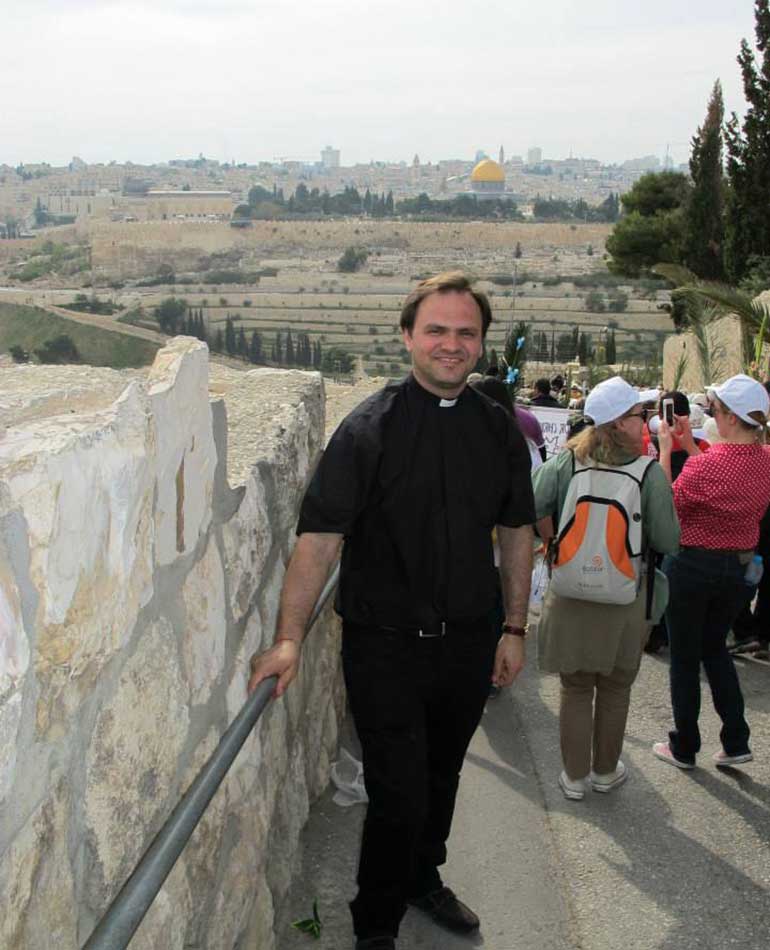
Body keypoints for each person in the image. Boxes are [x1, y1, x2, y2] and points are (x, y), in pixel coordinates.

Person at [247, 272, 535, 950]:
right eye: (437, 330)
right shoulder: (366, 430)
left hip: (467, 640)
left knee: (443, 775)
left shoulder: (496, 431)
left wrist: (514, 628)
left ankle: (422, 879)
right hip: (385, 648)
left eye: (466, 333)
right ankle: (375, 921)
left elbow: (518, 531)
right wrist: (288, 639)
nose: (451, 344)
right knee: (398, 790)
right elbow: (319, 542)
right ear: (408, 335)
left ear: (481, 345)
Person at [532, 376, 679, 800]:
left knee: (575, 687)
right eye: (640, 415)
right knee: (614, 688)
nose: (646, 422)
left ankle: (574, 778)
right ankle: (604, 773)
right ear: (618, 423)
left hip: (570, 592)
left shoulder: (565, 463)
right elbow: (668, 540)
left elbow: (533, 504)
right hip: (624, 597)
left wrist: (556, 541)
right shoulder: (647, 473)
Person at [653, 374, 770, 770]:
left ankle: (684, 745)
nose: (713, 417)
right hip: (738, 569)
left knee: (685, 658)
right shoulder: (765, 460)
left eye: (716, 411)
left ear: (732, 418)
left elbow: (665, 509)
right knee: (715, 648)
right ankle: (736, 740)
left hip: (691, 565)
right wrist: (688, 444)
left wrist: (667, 451)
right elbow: (722, 476)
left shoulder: (709, 468)